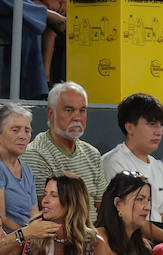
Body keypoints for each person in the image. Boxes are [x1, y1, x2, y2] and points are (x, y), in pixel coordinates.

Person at [100, 93, 163, 244]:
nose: (159, 131)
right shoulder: (113, 163)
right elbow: (128, 218)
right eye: (151, 124)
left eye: (161, 125)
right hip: (131, 242)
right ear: (129, 127)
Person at [24, 82, 106, 219]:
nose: (77, 117)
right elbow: (47, 213)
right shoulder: (36, 154)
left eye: (82, 110)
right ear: (51, 114)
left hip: (95, 234)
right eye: (69, 110)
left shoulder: (92, 154)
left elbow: (102, 207)